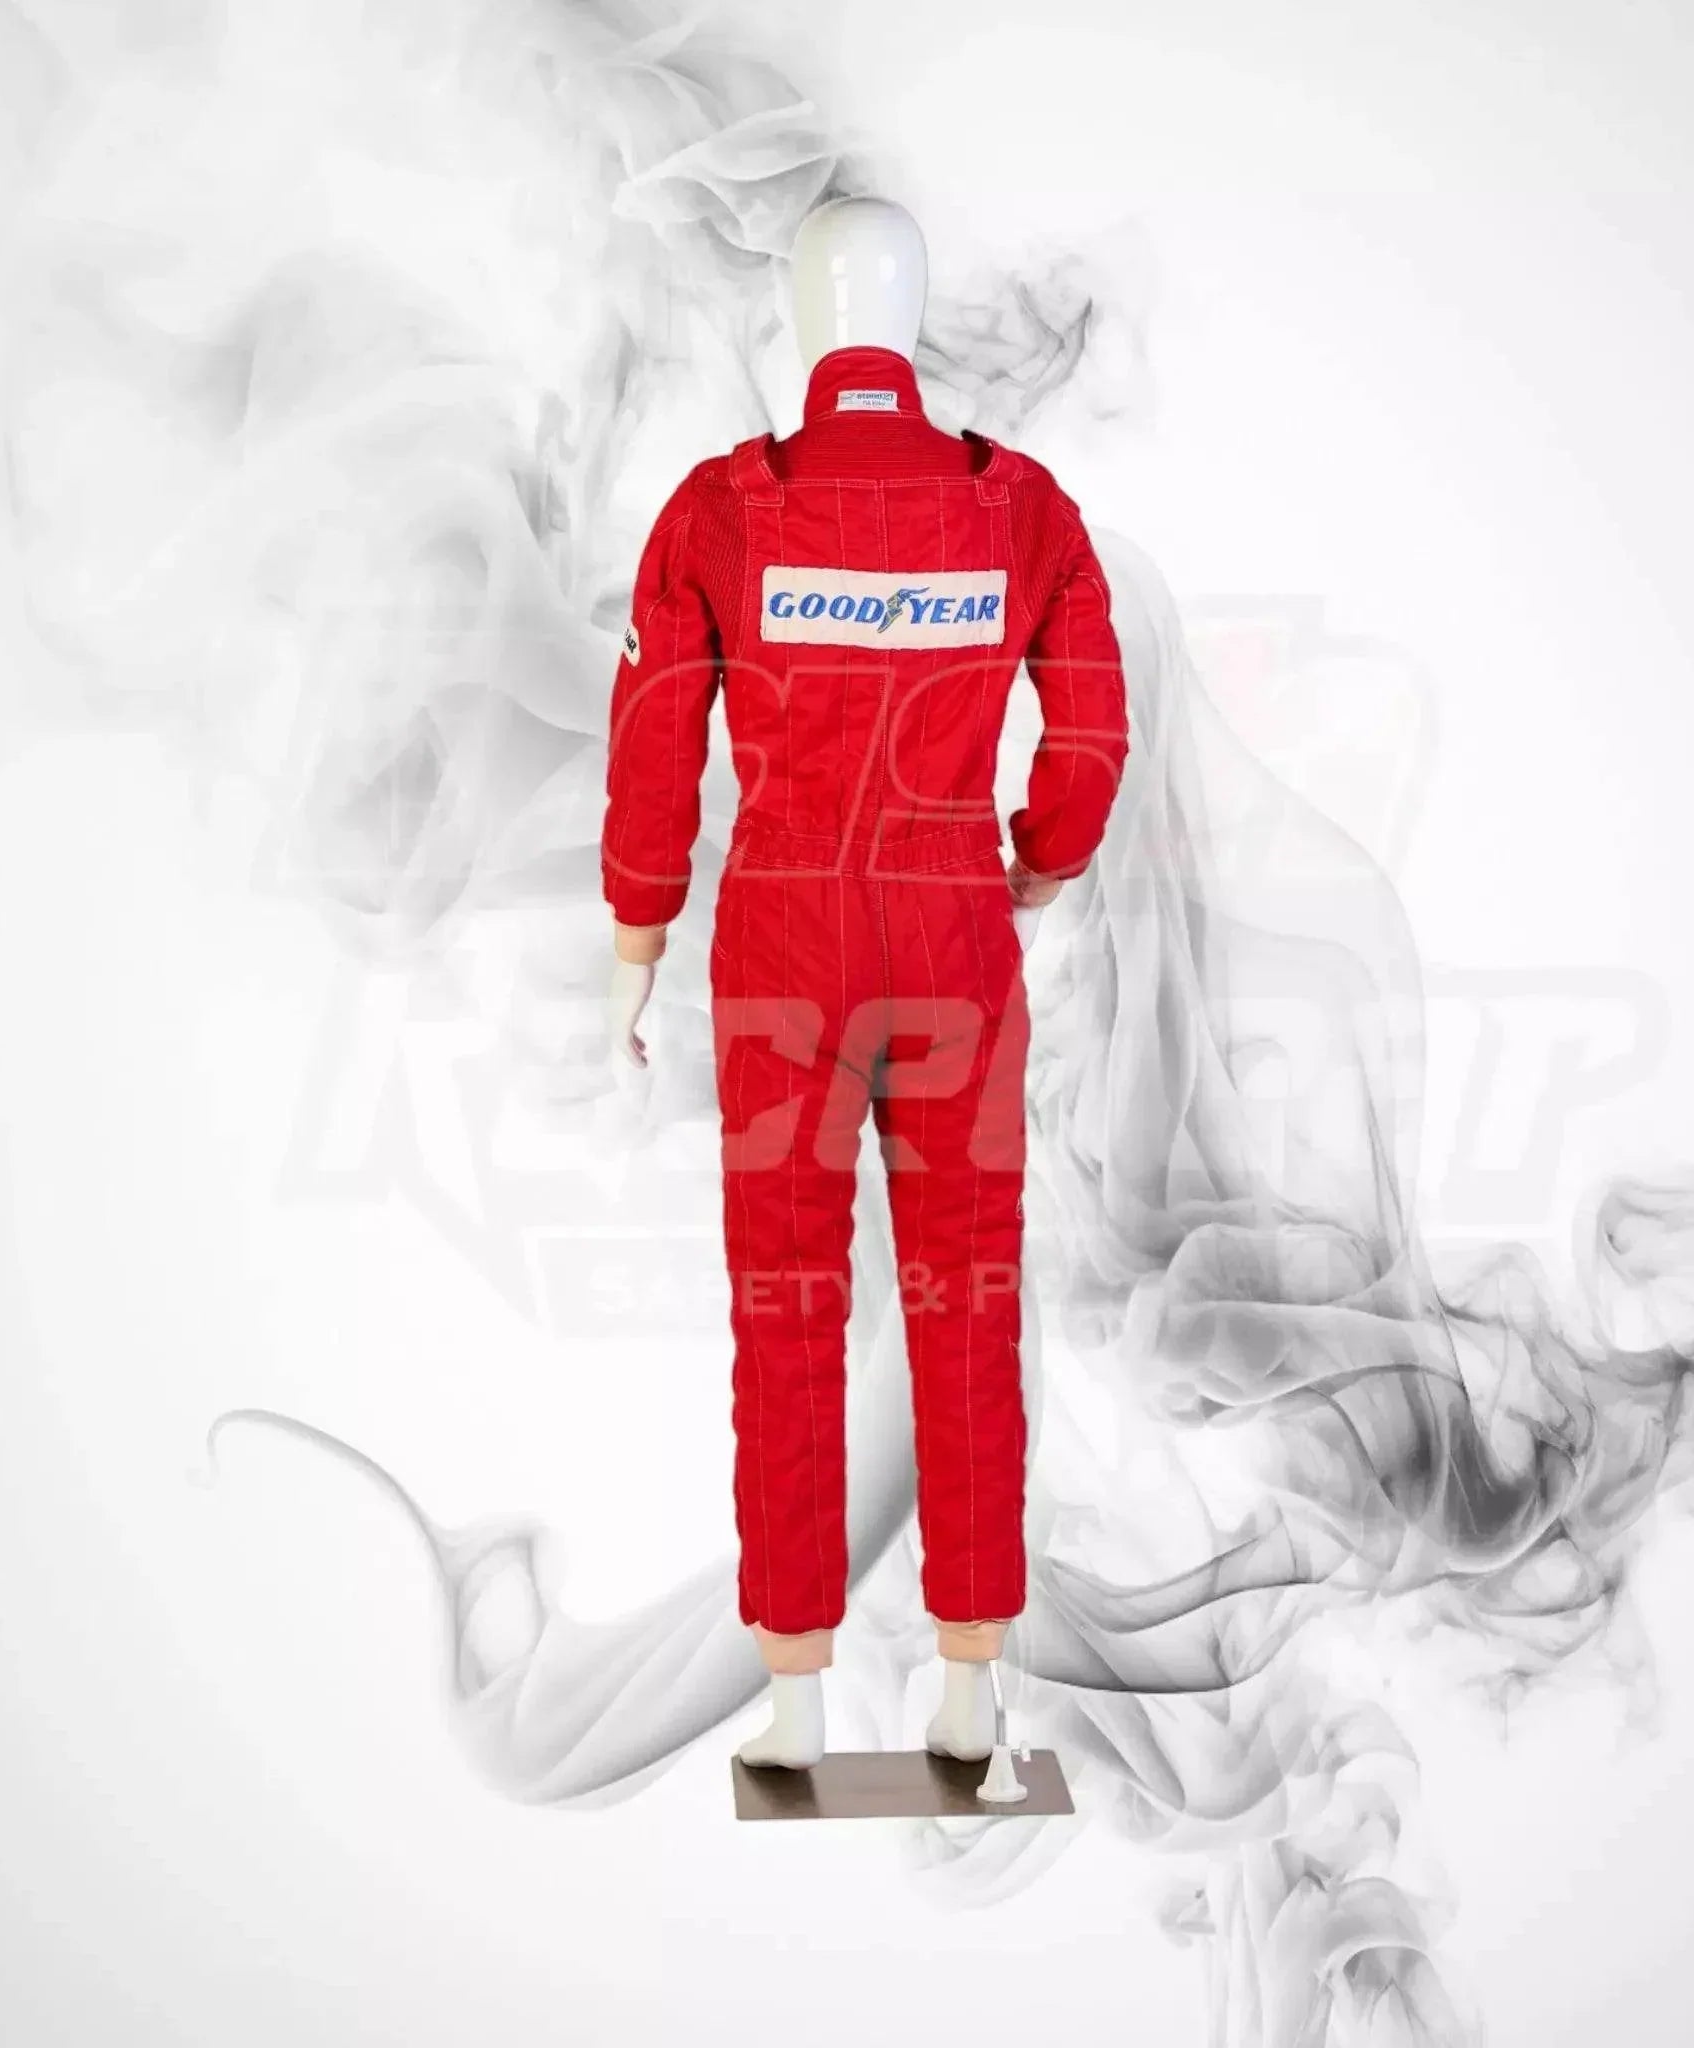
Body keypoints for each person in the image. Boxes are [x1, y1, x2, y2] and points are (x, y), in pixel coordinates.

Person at [601, 197, 1128, 1768]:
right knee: (969, 1302)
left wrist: (636, 937)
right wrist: (1043, 854)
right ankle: (972, 1696)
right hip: (956, 936)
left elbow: (653, 748)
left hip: (782, 954)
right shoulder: (1018, 510)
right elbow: (1093, 726)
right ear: (911, 319)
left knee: (787, 1307)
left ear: (806, 322)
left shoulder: (723, 512)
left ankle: (793, 1701)